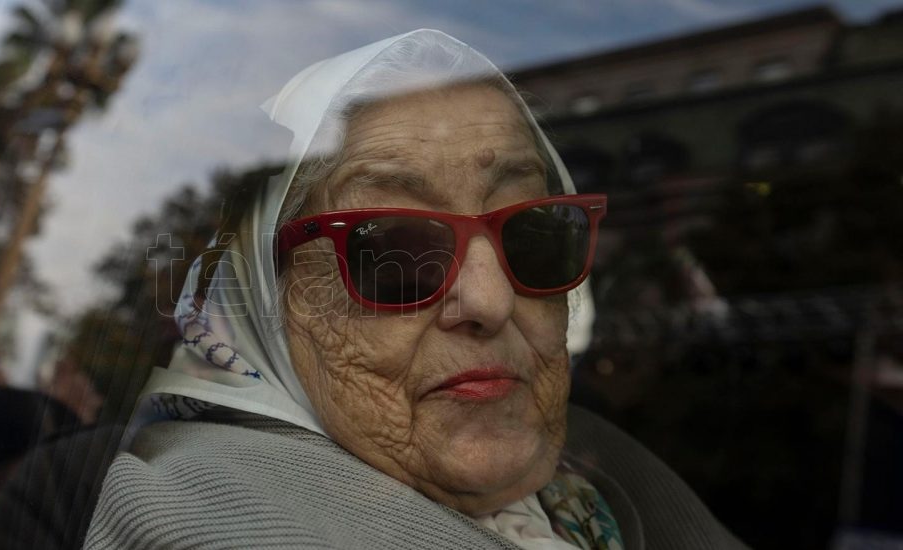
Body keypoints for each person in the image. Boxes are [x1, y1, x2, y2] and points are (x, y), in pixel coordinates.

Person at [84, 30, 744, 549]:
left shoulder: (608, 476)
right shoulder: (197, 519)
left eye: (532, 236)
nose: (490, 301)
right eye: (394, 251)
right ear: (270, 310)